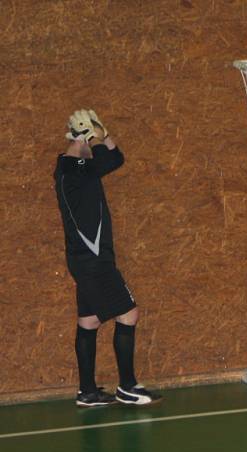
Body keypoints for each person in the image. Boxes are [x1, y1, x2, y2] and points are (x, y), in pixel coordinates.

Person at [55, 109, 161, 407]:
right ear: (84, 141)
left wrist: (103, 134)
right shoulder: (71, 167)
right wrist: (97, 137)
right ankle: (127, 387)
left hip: (87, 260)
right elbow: (104, 159)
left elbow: (115, 159)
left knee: (89, 321)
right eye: (91, 142)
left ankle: (87, 392)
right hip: (93, 261)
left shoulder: (81, 169)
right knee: (129, 314)